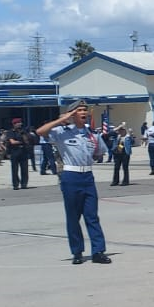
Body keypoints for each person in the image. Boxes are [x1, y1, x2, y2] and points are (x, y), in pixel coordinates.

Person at [37, 101, 108, 265]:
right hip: (71, 176)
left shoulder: (92, 134)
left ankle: (98, 251)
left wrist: (97, 154)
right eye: (79, 110)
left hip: (88, 176)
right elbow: (40, 132)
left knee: (92, 216)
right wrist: (65, 118)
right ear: (71, 114)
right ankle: (77, 252)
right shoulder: (61, 132)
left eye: (85, 110)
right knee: (73, 217)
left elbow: (99, 153)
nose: (84, 112)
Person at [1, 119, 31, 190]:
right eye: (18, 123)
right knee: (15, 169)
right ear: (14, 124)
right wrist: (22, 141)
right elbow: (12, 142)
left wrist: (24, 138)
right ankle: (16, 184)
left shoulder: (23, 131)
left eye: (20, 123)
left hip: (23, 151)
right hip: (14, 151)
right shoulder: (11, 132)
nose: (20, 124)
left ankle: (24, 184)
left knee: (24, 169)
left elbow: (27, 141)